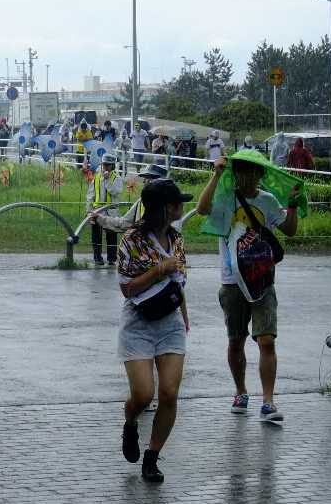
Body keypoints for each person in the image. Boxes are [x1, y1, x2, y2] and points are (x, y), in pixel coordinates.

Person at [195, 150, 302, 424]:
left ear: (261, 174)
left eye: (254, 171)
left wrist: (292, 206)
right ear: (237, 173)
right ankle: (241, 391)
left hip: (263, 279)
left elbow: (289, 230)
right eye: (243, 170)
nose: (249, 176)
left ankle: (268, 401)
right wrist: (216, 175)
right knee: (235, 340)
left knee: (266, 340)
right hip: (232, 281)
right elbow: (202, 209)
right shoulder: (226, 198)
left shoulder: (267, 201)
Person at [117, 178, 192, 484]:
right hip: (138, 323)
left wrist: (185, 317)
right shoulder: (132, 240)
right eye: (177, 203)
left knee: (170, 393)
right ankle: (131, 422)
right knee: (144, 394)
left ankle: (152, 456)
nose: (181, 207)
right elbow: (127, 289)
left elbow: (180, 283)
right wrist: (159, 269)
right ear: (164, 208)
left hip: (170, 322)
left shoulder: (177, 238)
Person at [91, 165, 169, 232]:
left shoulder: (170, 206)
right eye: (144, 178)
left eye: (147, 178)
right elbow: (124, 222)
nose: (144, 182)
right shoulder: (141, 201)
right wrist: (99, 218)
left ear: (156, 181)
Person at [84, 153, 124, 265]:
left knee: (111, 235)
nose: (105, 167)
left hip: (111, 212)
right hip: (97, 211)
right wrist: (88, 210)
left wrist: (107, 181)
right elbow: (90, 195)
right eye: (104, 165)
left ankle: (112, 258)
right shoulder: (97, 177)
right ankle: (97, 257)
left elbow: (116, 192)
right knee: (96, 236)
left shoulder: (117, 178)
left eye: (107, 165)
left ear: (112, 166)